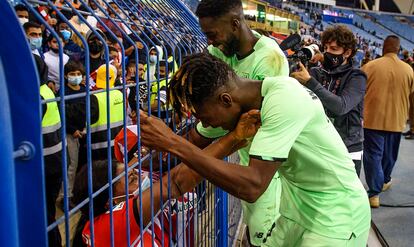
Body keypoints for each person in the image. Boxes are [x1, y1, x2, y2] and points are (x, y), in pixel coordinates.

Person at [139, 53, 371, 246]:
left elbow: (253, 185)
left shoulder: (285, 98)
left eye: (206, 117)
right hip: (298, 211)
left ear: (226, 100)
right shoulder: (252, 105)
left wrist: (172, 142)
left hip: (338, 216)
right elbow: (193, 150)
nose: (207, 124)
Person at [72, 109, 261, 246]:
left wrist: (234, 139)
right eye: (130, 179)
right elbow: (174, 182)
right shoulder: (109, 226)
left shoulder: (126, 207)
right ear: (110, 202)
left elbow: (179, 175)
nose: (138, 174)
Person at [191, 0, 289, 245]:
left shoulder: (269, 59)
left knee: (264, 232)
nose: (210, 42)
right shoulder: (217, 51)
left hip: (268, 168)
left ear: (235, 24)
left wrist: (198, 132)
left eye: (213, 34)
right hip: (244, 156)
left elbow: (249, 121)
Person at [291, 25, 366, 176]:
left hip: (347, 148)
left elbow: (340, 107)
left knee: (345, 198)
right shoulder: (317, 73)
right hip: (319, 144)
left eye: (334, 49)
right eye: (325, 48)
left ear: (348, 52)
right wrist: (308, 64)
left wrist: (310, 82)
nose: (328, 52)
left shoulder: (356, 77)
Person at [361, 35, 414, 208]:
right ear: (398, 49)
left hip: (373, 119)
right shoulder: (408, 70)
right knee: (390, 155)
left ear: (383, 48)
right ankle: (383, 181)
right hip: (397, 120)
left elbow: (359, 91)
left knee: (373, 155)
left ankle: (374, 193)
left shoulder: (369, 66)